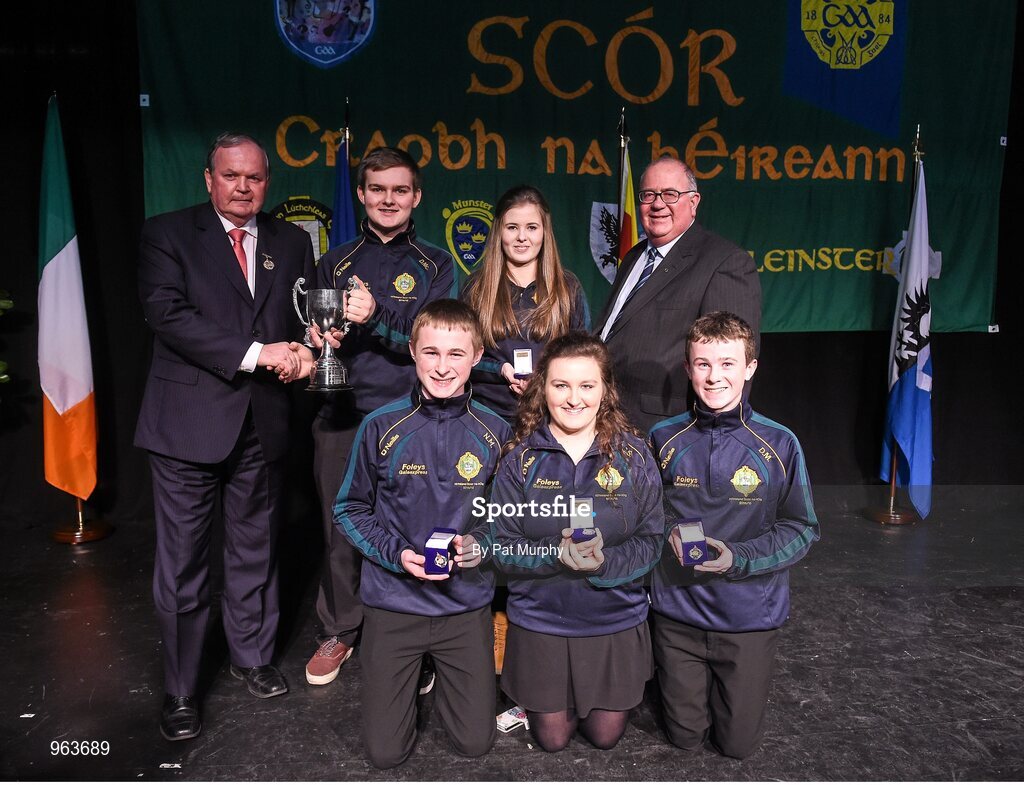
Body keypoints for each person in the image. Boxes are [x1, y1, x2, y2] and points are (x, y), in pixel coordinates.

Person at [135, 132, 316, 741]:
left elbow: (302, 318)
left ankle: (253, 657)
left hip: (263, 423)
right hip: (186, 425)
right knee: (183, 563)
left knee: (255, 550)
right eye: (231, 176)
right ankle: (182, 689)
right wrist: (260, 352)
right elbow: (168, 315)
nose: (243, 187)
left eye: (255, 178)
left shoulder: (292, 241)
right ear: (207, 178)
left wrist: (312, 348)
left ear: (268, 182)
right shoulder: (167, 234)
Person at [334, 300, 511, 768]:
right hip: (394, 604)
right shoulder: (380, 425)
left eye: (456, 354)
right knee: (384, 755)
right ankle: (407, 670)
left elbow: (510, 519)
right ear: (412, 351)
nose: (442, 366)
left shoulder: (496, 431)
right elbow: (348, 509)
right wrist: (397, 555)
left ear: (476, 357)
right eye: (431, 352)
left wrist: (481, 545)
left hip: (464, 606)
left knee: (475, 743)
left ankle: (439, 671)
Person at [304, 147, 456, 688]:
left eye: (399, 190)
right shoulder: (336, 260)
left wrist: (376, 316)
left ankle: (415, 637)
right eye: (376, 190)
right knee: (339, 527)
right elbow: (317, 328)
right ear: (362, 195)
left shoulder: (436, 263)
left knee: (414, 526)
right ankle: (341, 630)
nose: (387, 199)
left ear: (416, 196)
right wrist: (319, 337)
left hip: (413, 418)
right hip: (342, 416)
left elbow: (435, 341)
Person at [648, 312, 819, 758]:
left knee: (737, 747)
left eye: (727, 364)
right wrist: (668, 533)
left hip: (747, 618)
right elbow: (645, 515)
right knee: (684, 740)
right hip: (677, 615)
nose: (714, 376)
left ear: (750, 368)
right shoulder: (663, 438)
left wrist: (737, 558)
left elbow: (801, 529)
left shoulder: (780, 443)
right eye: (703, 364)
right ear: (688, 368)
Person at [490, 332, 664, 751]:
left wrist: (603, 564)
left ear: (605, 391)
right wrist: (555, 554)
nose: (573, 398)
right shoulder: (519, 462)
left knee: (606, 737)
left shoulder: (635, 456)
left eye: (586, 385)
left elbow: (651, 539)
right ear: (542, 388)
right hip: (542, 622)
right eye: (560, 385)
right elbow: (502, 543)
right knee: (551, 740)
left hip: (613, 621)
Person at [594, 156, 761, 433]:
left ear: (694, 202)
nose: (658, 204)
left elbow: (732, 365)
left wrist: (715, 440)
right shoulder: (634, 256)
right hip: (607, 421)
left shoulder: (725, 262)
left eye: (670, 194)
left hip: (668, 431)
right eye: (649, 195)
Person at [460, 184, 590, 422]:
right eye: (512, 228)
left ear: (544, 232)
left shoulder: (567, 287)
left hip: (551, 417)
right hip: (487, 416)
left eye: (531, 227)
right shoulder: (477, 287)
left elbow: (584, 358)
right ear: (499, 231)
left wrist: (543, 377)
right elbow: (458, 356)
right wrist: (499, 370)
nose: (522, 237)